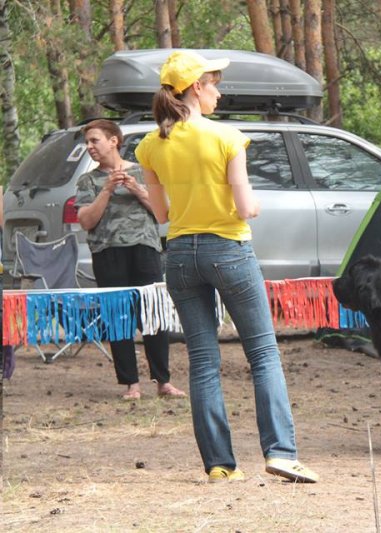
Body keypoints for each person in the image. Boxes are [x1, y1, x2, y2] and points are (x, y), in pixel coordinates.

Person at [135, 50, 318, 483]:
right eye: (214, 83)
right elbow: (245, 206)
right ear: (196, 87)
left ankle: (219, 464)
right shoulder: (227, 138)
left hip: (179, 255)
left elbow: (161, 214)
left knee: (202, 361)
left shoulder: (149, 146)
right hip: (229, 250)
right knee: (264, 353)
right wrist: (252, 204)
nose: (219, 91)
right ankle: (281, 452)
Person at [75, 119, 185, 401]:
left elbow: (164, 213)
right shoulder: (87, 181)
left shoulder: (144, 173)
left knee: (153, 315)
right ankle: (131, 385)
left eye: (94, 140)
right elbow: (86, 221)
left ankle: (163, 382)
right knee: (118, 318)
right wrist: (107, 190)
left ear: (113, 141)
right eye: (87, 142)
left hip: (145, 249)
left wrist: (137, 189)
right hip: (107, 252)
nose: (89, 147)